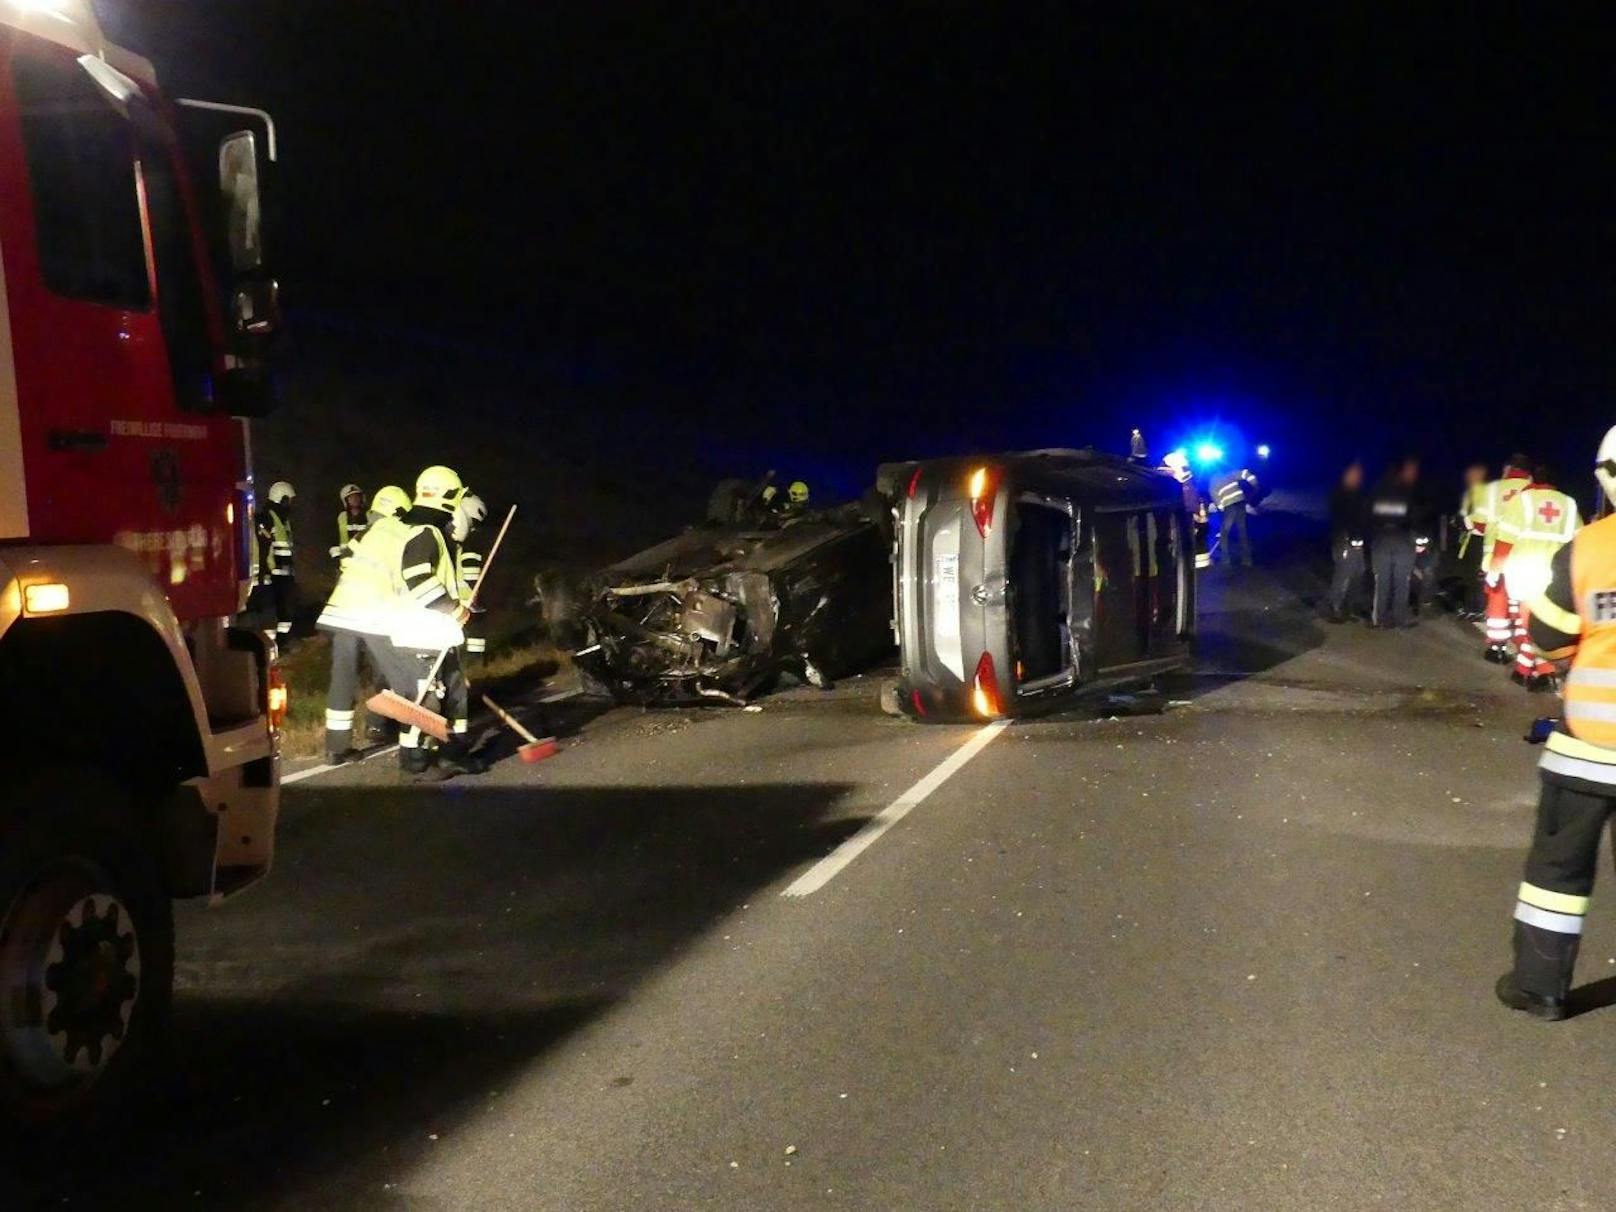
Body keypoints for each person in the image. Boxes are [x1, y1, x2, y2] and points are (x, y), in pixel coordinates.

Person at [1496, 425, 1616, 1020]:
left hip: (1590, 751)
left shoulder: (1590, 547)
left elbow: (1546, 637)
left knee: (1557, 874)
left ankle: (1540, 987)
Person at [388, 465, 485, 778]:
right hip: (421, 634)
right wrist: (454, 609)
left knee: (455, 692)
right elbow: (418, 578)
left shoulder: (426, 532)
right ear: (445, 497)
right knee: (425, 698)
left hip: (436, 633)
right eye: (456, 496)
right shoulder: (425, 533)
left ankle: (453, 752)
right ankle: (414, 758)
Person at [314, 484, 410, 762]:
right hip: (372, 613)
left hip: (342, 609)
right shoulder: (399, 533)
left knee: (342, 679)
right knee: (399, 674)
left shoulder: (363, 534)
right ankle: (414, 740)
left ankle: (336, 748)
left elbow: (345, 560)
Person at [1496, 466, 1581, 691]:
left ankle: (1533, 672)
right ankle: (1535, 672)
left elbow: (1504, 541)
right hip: (1555, 575)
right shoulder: (1570, 505)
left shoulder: (1523, 501)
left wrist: (1494, 572)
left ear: (1534, 479)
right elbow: (1580, 542)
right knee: (1540, 628)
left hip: (1524, 573)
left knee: (1527, 628)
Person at [1469, 455, 1533, 663]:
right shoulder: (1535, 491)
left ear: (1508, 468)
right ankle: (1527, 651)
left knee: (1498, 604)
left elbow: (1478, 525)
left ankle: (1497, 648)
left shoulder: (1491, 490)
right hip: (1528, 560)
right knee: (1523, 606)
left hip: (1496, 558)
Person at [1368, 456, 1419, 629]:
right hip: (1403, 542)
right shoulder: (1409, 492)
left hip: (1382, 541)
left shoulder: (1376, 491)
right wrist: (1419, 540)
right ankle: (1400, 620)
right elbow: (1416, 518)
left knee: (1382, 583)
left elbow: (1368, 518)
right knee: (1401, 583)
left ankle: (1380, 619)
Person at [252, 480, 297, 646]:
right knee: (270, 616)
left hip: (283, 576)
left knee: (284, 616)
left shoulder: (282, 520)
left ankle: (281, 645)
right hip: (272, 575)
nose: (291, 504)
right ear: (282, 499)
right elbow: (263, 548)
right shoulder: (267, 518)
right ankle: (272, 648)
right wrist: (264, 574)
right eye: (289, 500)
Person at [1326, 460, 1367, 623]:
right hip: (1344, 541)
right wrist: (1343, 540)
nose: (1357, 477)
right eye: (1353, 473)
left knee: (1358, 573)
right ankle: (1335, 607)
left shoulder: (1359, 494)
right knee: (1343, 575)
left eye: (1359, 474)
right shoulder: (1340, 494)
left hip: (1358, 542)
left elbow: (1362, 518)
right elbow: (1339, 519)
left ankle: (1350, 607)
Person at [452, 491, 489, 664]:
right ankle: (475, 666)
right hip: (467, 602)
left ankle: (473, 668)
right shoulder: (470, 540)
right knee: (474, 640)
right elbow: (471, 570)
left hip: (457, 602)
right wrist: (476, 595)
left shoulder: (457, 540)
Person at [1162, 451, 1209, 570]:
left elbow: (1192, 501)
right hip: (1188, 519)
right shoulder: (1186, 483)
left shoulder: (1183, 484)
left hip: (1188, 519)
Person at [1456, 462, 1490, 620]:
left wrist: (1467, 522)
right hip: (1480, 538)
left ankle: (1477, 608)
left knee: (1477, 576)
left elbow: (1466, 519)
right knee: (1474, 575)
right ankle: (1474, 608)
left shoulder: (1480, 494)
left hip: (1480, 538)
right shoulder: (1482, 494)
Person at [1209, 467, 1259, 566]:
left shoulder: (1213, 479)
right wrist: (1255, 483)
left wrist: (1220, 506)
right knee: (1243, 532)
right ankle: (1247, 560)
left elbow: (1213, 493)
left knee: (1224, 534)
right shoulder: (1229, 472)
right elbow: (1245, 473)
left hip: (1229, 506)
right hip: (1240, 503)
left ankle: (1226, 561)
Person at [331, 483, 370, 561]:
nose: (354, 499)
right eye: (351, 497)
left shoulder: (369, 516)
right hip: (346, 560)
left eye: (357, 496)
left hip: (366, 559)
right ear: (346, 500)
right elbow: (334, 539)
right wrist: (336, 556)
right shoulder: (342, 518)